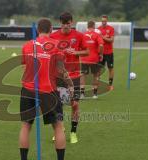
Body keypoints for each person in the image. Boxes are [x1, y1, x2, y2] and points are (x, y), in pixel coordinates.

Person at [19, 18, 74, 160]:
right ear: (51, 30)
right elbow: (61, 69)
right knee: (58, 126)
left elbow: (25, 65)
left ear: (38, 30)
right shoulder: (56, 45)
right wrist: (70, 84)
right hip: (49, 90)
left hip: (28, 89)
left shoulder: (27, 45)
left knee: (26, 126)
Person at [50, 12, 88, 144]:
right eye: (63, 23)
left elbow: (87, 51)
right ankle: (59, 130)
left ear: (71, 22)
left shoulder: (79, 35)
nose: (66, 26)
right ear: (60, 23)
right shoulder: (53, 36)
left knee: (75, 105)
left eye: (68, 23)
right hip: (59, 76)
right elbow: (49, 53)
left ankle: (73, 132)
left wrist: (76, 52)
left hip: (75, 75)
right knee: (57, 105)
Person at [80, 20, 104, 99]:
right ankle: (95, 94)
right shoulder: (97, 35)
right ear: (94, 26)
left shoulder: (83, 35)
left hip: (84, 58)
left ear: (87, 26)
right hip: (94, 58)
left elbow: (80, 46)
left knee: (83, 76)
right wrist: (100, 54)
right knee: (96, 75)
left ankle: (82, 94)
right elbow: (101, 45)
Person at [98, 15, 115, 90]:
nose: (103, 22)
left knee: (110, 68)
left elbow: (111, 40)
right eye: (102, 21)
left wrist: (103, 37)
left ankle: (110, 84)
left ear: (107, 21)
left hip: (109, 52)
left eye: (104, 21)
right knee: (99, 69)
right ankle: (98, 84)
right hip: (101, 52)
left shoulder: (111, 29)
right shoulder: (98, 29)